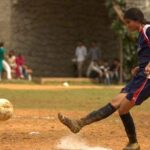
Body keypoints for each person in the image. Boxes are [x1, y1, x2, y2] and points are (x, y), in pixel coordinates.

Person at [58, 8, 150, 150]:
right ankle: (79, 124)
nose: (127, 26)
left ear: (137, 20)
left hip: (147, 79)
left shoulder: (147, 29)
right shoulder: (141, 34)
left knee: (123, 108)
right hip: (140, 76)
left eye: (128, 22)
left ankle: (133, 143)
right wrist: (140, 66)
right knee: (118, 104)